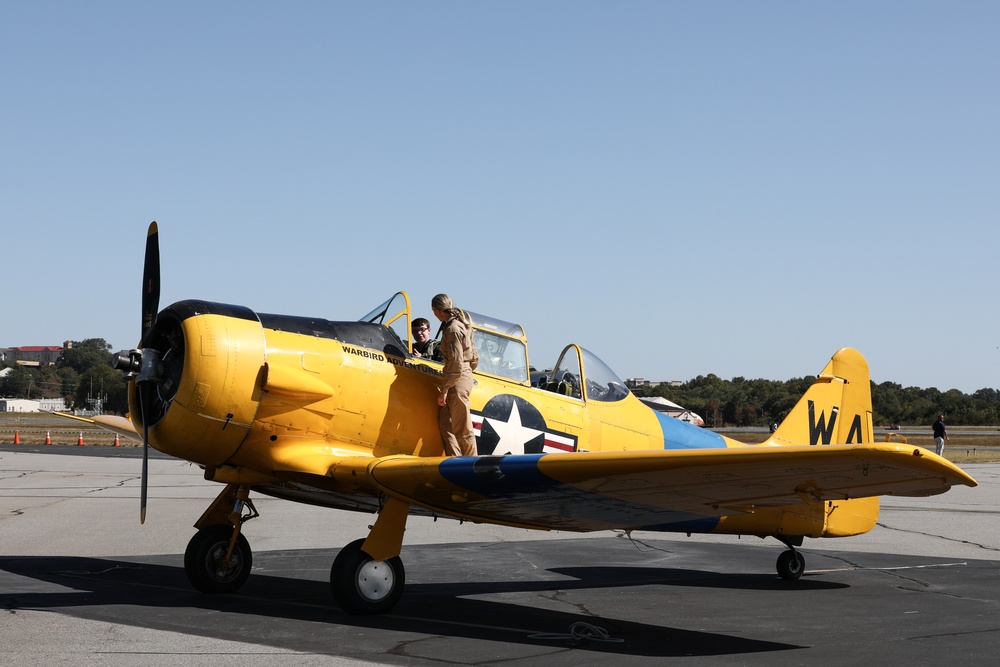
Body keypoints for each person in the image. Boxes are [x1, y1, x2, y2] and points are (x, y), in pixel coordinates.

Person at [432, 294, 479, 456]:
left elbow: (456, 363)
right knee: (446, 425)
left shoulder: (452, 329)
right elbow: (474, 358)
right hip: (460, 376)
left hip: (456, 379)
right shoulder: (461, 325)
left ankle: (472, 466)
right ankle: (455, 462)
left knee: (462, 429)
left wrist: (445, 389)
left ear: (437, 310)